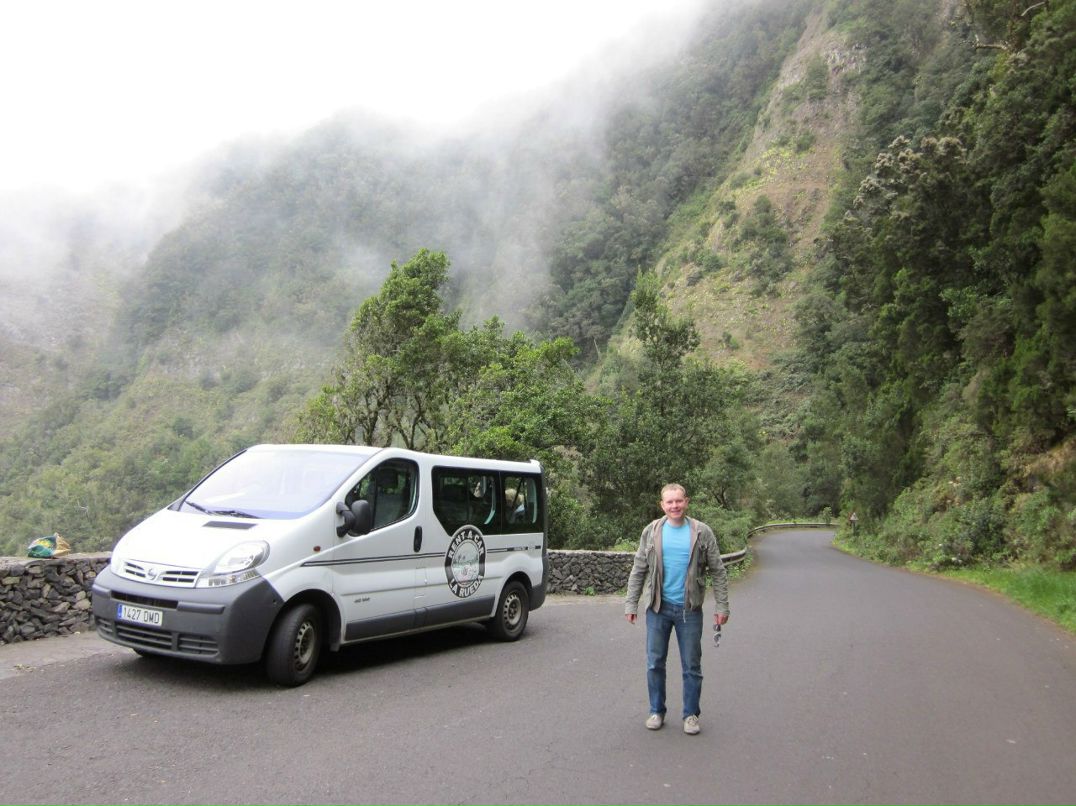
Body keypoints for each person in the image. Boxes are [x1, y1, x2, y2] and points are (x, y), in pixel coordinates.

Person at [624, 483, 730, 735]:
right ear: (662, 505)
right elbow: (639, 569)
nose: (674, 506)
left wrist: (722, 606)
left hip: (689, 610)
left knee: (691, 665)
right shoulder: (651, 532)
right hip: (658, 608)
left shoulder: (702, 532)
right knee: (654, 663)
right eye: (669, 502)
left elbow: (718, 570)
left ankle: (691, 714)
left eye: (678, 501)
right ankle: (656, 710)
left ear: (687, 502)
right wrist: (631, 603)